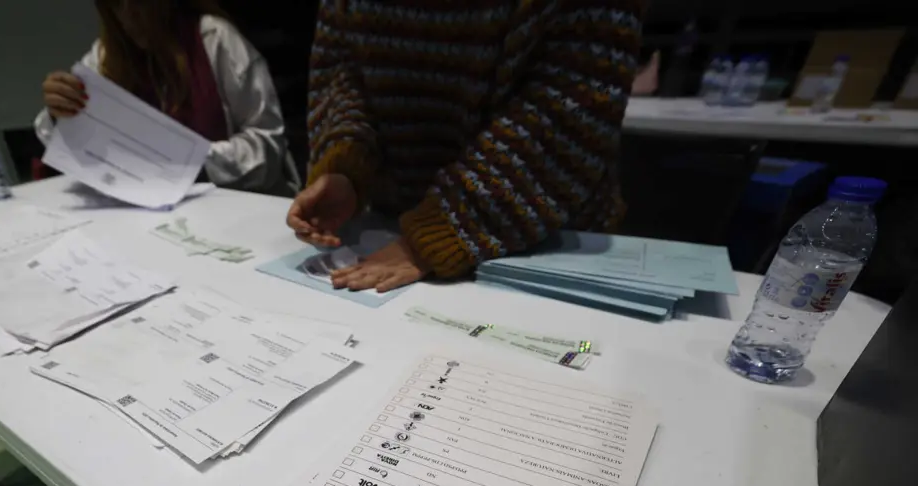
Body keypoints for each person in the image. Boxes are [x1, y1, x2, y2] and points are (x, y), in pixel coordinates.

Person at [287, 0, 645, 293]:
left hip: (543, 239)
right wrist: (348, 164)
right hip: (388, 234)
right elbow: (345, 68)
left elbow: (568, 106)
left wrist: (449, 225)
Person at [36, 0, 299, 196]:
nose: (130, 16)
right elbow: (72, 144)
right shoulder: (106, 56)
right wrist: (60, 111)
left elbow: (268, 146)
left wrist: (188, 161)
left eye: (139, 2)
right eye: (117, 5)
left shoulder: (215, 38)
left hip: (234, 204)